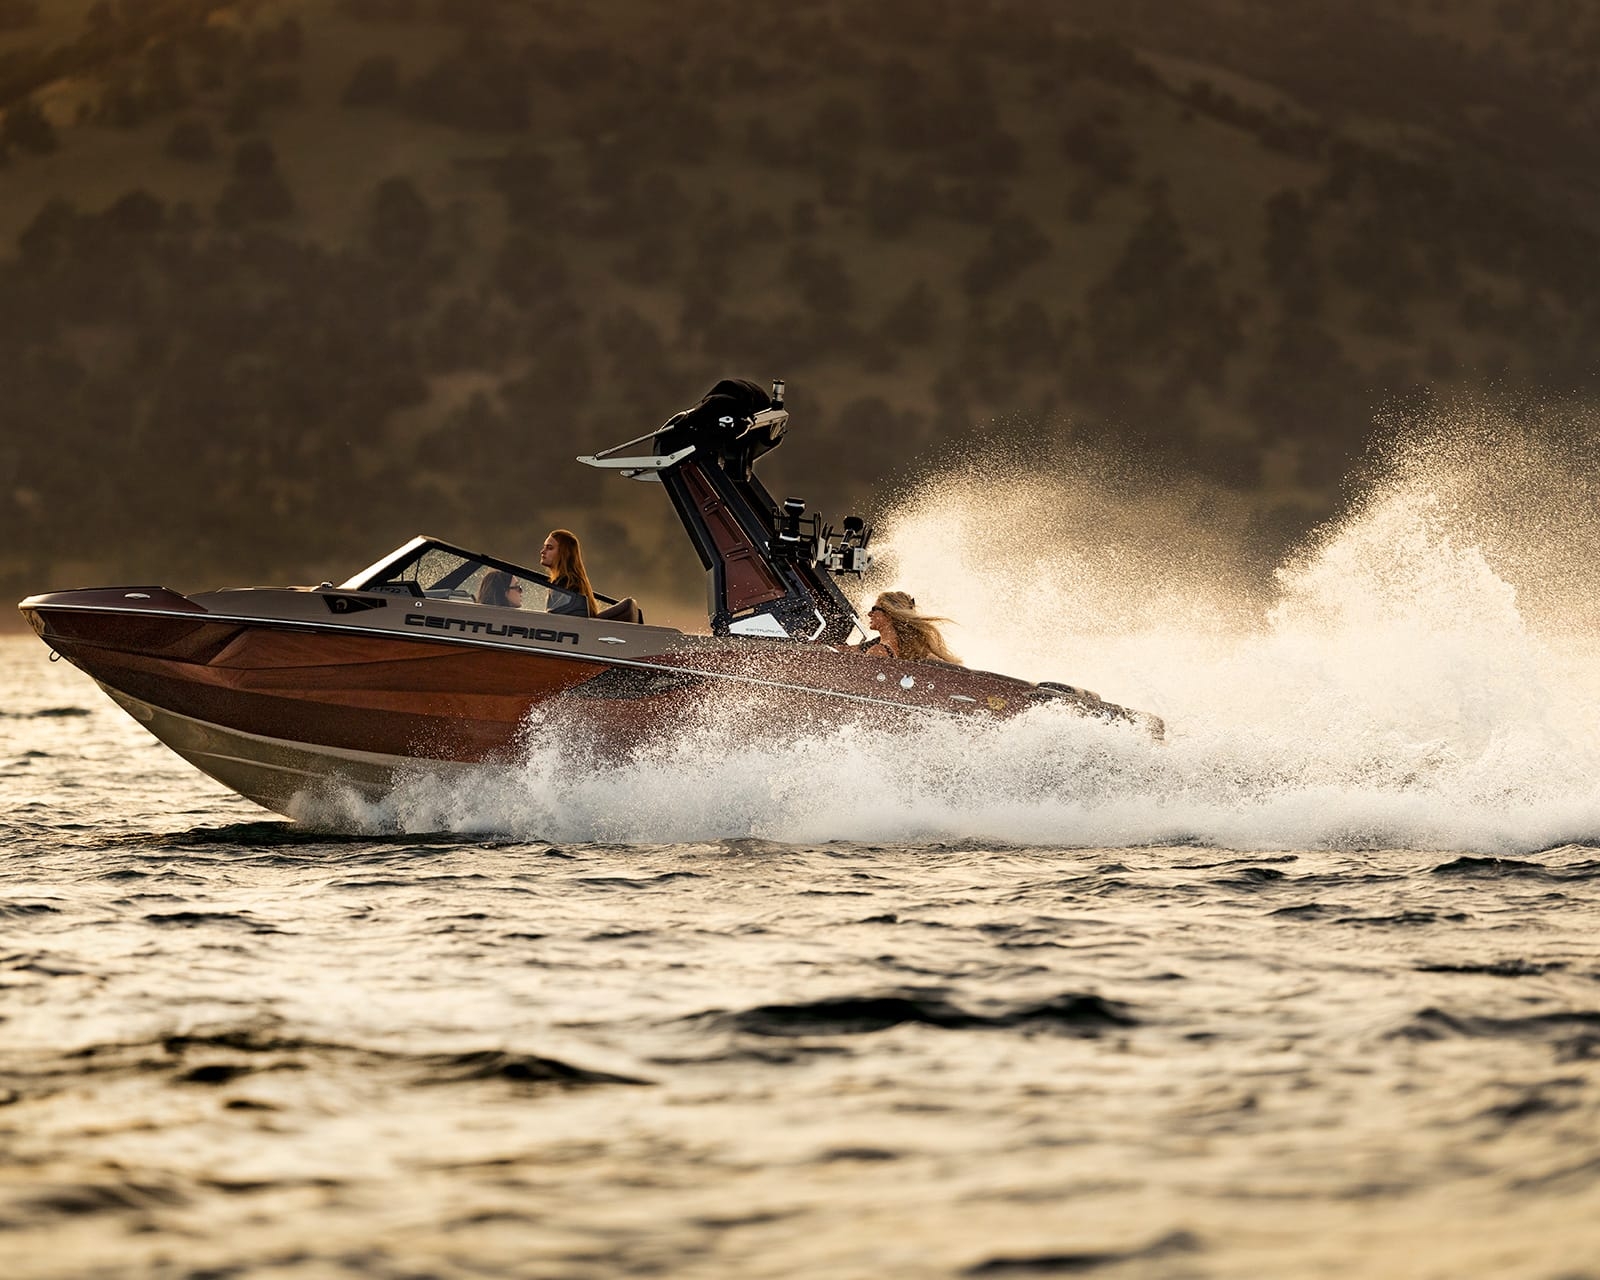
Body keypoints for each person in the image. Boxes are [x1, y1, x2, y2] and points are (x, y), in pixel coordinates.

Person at [863, 591, 961, 664]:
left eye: (874, 609)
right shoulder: (917, 650)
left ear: (889, 613)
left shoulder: (878, 651)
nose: (869, 614)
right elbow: (952, 670)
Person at [539, 528, 599, 617]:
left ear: (563, 553)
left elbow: (554, 621)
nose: (542, 552)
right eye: (544, 547)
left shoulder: (567, 584)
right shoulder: (569, 581)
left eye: (549, 548)